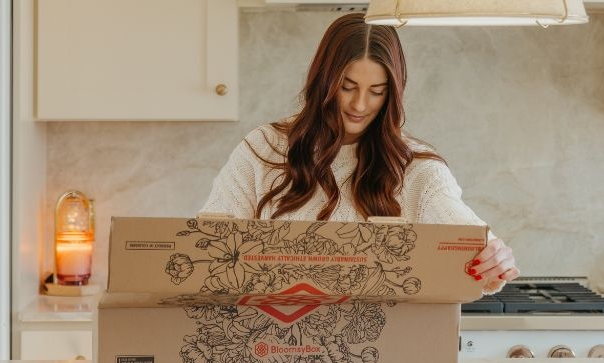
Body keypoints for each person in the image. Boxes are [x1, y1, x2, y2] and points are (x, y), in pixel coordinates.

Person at [200, 13, 518, 294]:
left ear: (393, 93)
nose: (360, 105)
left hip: (384, 355)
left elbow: (469, 236)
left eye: (376, 92)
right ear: (323, 81)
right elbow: (206, 245)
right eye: (347, 87)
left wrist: (493, 255)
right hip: (275, 348)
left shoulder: (416, 169)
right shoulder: (263, 149)